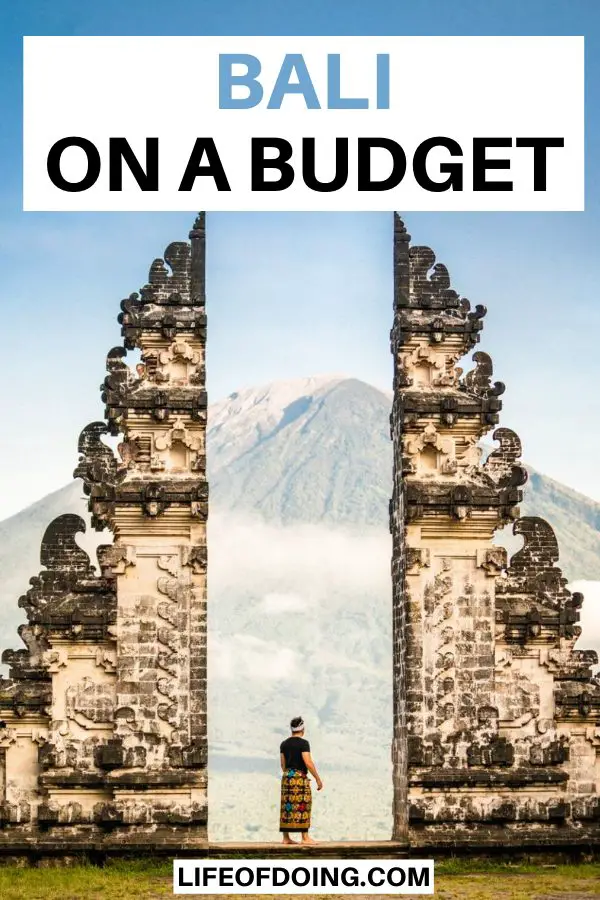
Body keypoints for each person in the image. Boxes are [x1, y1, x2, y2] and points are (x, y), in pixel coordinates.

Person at [279, 716, 323, 845]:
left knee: (286, 806)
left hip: (287, 776)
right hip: (299, 777)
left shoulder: (284, 744)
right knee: (303, 805)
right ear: (302, 729)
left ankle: (286, 838)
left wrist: (289, 775)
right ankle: (305, 838)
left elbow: (283, 764)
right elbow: (308, 762)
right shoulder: (303, 743)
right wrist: (317, 779)